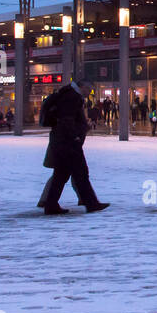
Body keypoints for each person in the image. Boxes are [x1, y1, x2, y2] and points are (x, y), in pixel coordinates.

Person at [38, 78, 109, 215]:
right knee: (81, 173)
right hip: (69, 143)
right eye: (88, 90)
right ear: (82, 87)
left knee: (62, 175)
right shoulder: (72, 97)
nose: (89, 93)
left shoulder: (67, 94)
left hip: (62, 141)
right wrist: (75, 136)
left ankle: (51, 205)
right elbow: (67, 119)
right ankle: (91, 204)